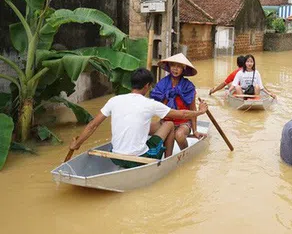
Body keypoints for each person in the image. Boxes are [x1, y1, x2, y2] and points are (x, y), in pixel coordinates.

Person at [68, 68, 208, 168]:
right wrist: (200, 112)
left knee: (156, 125)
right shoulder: (149, 103)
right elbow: (183, 114)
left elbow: (93, 125)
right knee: (169, 124)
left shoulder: (114, 100)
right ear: (147, 86)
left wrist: (77, 144)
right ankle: (167, 162)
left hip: (114, 158)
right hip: (140, 159)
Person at [151, 53, 206, 150]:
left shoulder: (188, 87)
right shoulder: (162, 84)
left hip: (183, 122)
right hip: (166, 122)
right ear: (169, 67)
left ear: (183, 69)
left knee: (179, 135)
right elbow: (159, 108)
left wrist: (195, 131)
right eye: (173, 65)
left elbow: (192, 109)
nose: (175, 69)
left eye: (179, 67)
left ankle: (184, 153)